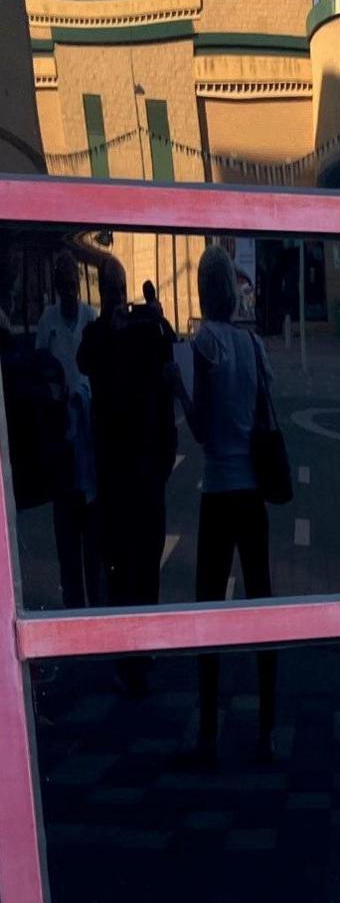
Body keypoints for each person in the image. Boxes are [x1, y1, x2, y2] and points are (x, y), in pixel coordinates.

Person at [183, 246, 278, 765]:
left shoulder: (204, 345)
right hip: (253, 493)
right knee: (263, 601)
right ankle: (266, 729)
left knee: (207, 609)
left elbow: (200, 429)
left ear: (204, 290)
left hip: (218, 491)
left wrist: (178, 389)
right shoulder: (252, 345)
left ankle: (208, 733)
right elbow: (266, 416)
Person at [78, 260, 179, 693]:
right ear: (101, 293)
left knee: (146, 562)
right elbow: (84, 361)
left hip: (146, 468)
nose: (118, 298)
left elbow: (169, 354)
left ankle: (146, 646)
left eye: (122, 290)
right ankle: (127, 653)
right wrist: (110, 328)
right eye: (111, 290)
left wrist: (156, 318)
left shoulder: (141, 331)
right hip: (117, 473)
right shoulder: (98, 335)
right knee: (121, 566)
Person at [35, 252, 104, 608]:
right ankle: (73, 609)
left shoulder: (90, 319)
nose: (68, 293)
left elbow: (98, 372)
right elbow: (39, 370)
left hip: (88, 438)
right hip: (61, 442)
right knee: (67, 545)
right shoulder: (47, 322)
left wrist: (82, 394)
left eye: (72, 286)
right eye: (62, 287)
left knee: (92, 548)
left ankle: (95, 611)